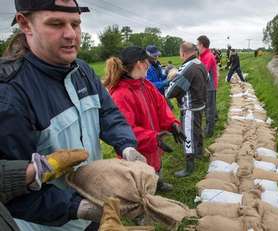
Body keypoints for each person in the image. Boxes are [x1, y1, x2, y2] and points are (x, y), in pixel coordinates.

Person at [0, 0, 145, 230]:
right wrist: (78, 207)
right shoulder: (9, 93)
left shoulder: (83, 70)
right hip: (50, 223)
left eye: (76, 24)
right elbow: (12, 191)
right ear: (25, 24)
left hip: (92, 209)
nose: (71, 35)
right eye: (56, 24)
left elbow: (107, 113)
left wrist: (127, 146)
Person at [104, 46, 186, 191]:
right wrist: (152, 138)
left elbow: (161, 107)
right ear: (140, 64)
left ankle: (158, 183)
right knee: (140, 177)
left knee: (155, 164)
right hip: (137, 151)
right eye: (147, 62)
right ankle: (142, 197)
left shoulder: (145, 84)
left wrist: (172, 124)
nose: (149, 65)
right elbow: (124, 131)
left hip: (153, 142)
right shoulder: (120, 94)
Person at [0, 150, 88, 231]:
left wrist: (37, 169)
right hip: (47, 220)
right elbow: (20, 201)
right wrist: (77, 206)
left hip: (79, 211)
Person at [165, 42, 208, 177]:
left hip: (190, 108)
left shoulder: (187, 69)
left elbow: (171, 92)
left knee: (188, 135)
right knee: (198, 130)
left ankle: (189, 167)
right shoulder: (199, 64)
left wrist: (171, 80)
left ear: (183, 53)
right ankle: (200, 153)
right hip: (200, 104)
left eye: (180, 53)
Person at [197, 35, 218, 137]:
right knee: (210, 107)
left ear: (202, 45)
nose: (197, 47)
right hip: (207, 86)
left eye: (197, 44)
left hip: (209, 87)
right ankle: (215, 119)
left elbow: (203, 73)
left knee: (209, 109)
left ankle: (209, 131)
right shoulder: (203, 56)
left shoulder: (208, 56)